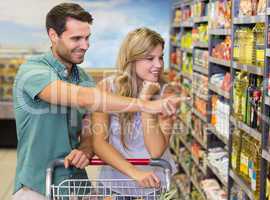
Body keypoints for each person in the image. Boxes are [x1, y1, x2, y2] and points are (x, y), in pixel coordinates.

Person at [12, 3, 184, 200]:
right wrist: (145, 104)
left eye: (87, 38)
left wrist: (85, 149)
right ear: (53, 35)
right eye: (77, 38)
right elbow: (83, 98)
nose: (85, 46)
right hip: (38, 184)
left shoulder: (84, 78)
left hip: (75, 183)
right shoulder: (33, 71)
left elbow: (89, 131)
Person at [92, 27, 180, 199]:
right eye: (150, 58)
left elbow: (155, 151)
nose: (159, 65)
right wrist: (135, 173)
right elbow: (99, 143)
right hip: (114, 183)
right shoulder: (107, 88)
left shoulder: (167, 92)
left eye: (160, 57)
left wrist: (146, 99)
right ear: (131, 60)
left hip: (155, 186)